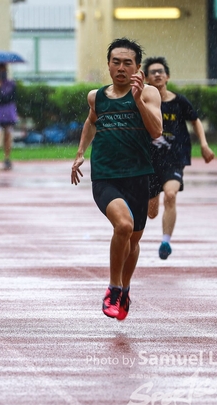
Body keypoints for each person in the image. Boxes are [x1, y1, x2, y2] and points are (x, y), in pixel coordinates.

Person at [71, 38, 162, 321]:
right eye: (116, 62)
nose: (121, 68)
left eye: (127, 63)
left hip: (138, 175)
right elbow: (91, 121)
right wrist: (80, 153)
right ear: (109, 65)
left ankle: (125, 288)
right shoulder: (96, 96)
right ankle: (113, 288)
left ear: (137, 68)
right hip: (106, 176)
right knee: (123, 225)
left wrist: (138, 100)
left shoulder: (149, 94)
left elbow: (156, 131)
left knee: (132, 242)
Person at [143, 56, 215, 260]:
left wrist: (204, 144)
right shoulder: (143, 102)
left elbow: (195, 121)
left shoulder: (179, 102)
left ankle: (165, 241)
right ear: (147, 78)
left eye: (161, 71)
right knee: (151, 212)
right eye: (153, 72)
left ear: (167, 76)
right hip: (150, 161)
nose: (158, 74)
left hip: (174, 159)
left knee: (170, 195)